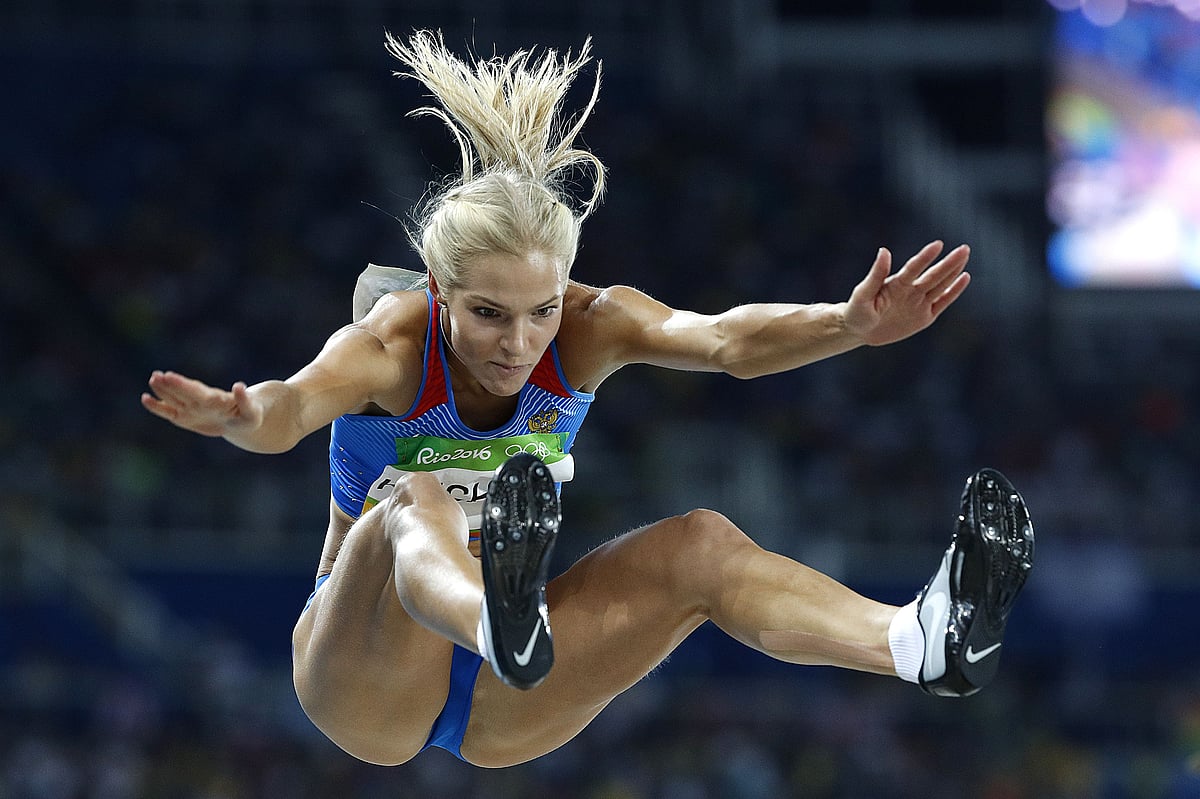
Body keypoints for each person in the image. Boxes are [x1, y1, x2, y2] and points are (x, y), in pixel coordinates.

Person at [141, 29, 1035, 768]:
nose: (517, 343)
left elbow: (724, 341)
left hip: (510, 697)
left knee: (703, 543)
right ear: (440, 294)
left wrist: (845, 323)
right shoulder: (390, 344)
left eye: (537, 313)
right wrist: (242, 414)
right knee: (410, 496)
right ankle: (494, 610)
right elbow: (291, 407)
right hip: (365, 675)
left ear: (563, 290)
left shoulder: (590, 324)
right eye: (487, 315)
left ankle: (918, 641)